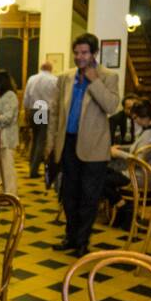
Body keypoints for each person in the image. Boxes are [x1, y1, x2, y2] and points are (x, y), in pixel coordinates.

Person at [44, 32, 121, 257]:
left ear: (94, 53)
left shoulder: (108, 76)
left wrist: (94, 81)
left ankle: (82, 242)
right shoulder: (65, 77)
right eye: (76, 53)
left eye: (84, 52)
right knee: (68, 194)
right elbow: (56, 112)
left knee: (89, 196)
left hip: (94, 147)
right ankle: (70, 236)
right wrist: (50, 143)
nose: (79, 57)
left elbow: (112, 106)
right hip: (68, 143)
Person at [23, 61, 59, 178]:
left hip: (34, 109)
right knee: (41, 141)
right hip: (43, 109)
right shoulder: (53, 79)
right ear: (50, 68)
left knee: (35, 138)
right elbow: (56, 97)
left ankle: (31, 166)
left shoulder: (32, 78)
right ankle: (34, 170)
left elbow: (26, 96)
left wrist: (26, 112)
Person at [0, 69, 20, 196]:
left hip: (7, 136)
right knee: (1, 167)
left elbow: (7, 118)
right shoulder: (1, 95)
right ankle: (5, 193)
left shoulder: (10, 96)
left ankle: (11, 194)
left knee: (7, 168)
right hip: (1, 136)